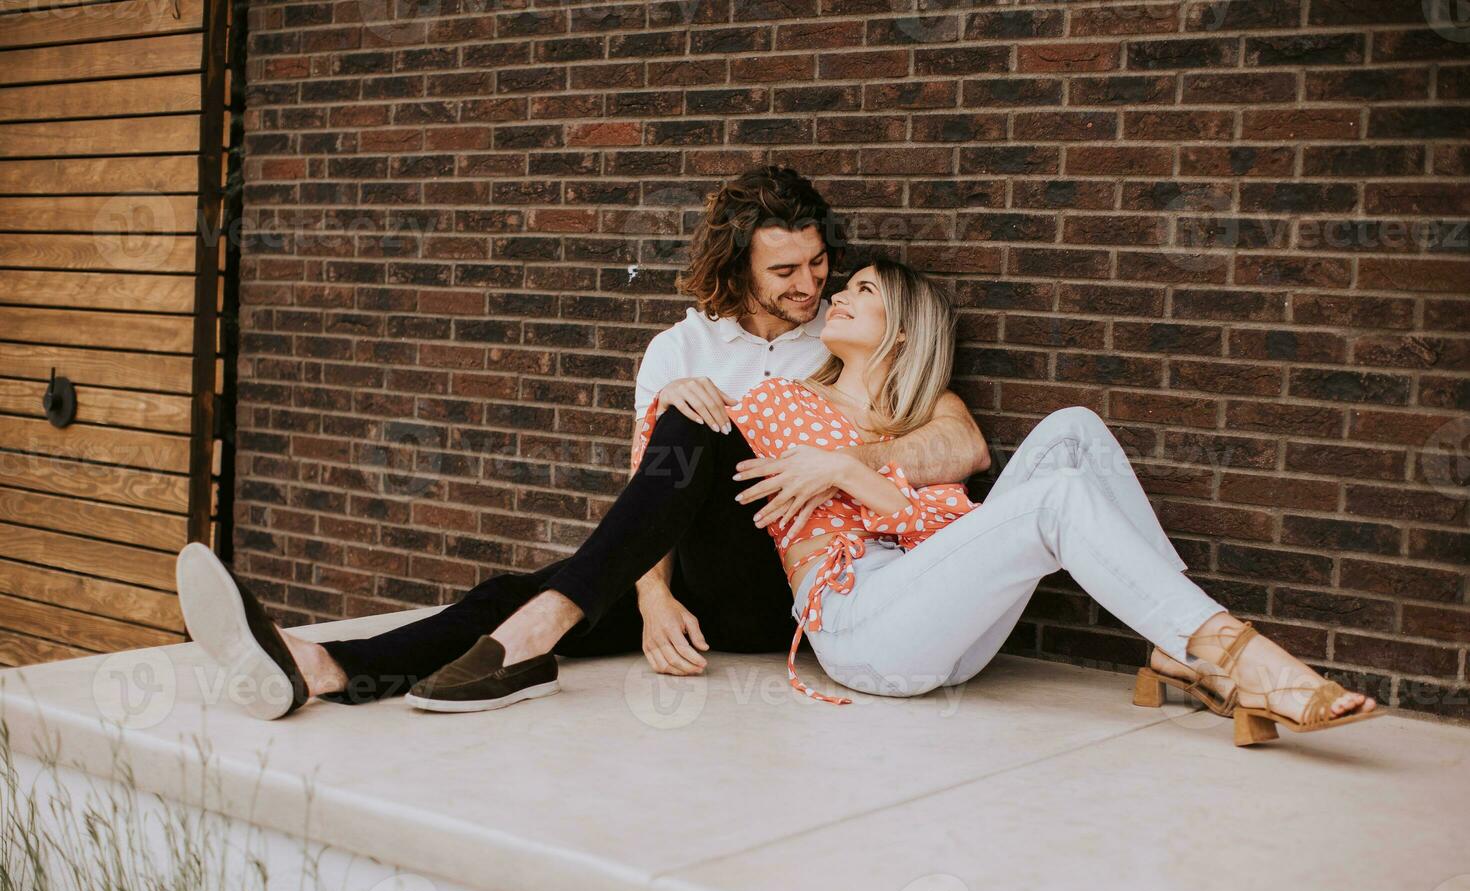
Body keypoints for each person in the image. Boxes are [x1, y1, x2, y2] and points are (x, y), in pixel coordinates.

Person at [407, 258, 1386, 748]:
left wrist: (853, 475)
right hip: (861, 623)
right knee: (1049, 496)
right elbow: (662, 480)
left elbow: (952, 527)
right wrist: (679, 408)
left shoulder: (930, 410)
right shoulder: (779, 400)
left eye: (862, 290)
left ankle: (1183, 644)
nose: (838, 294)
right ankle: (1223, 651)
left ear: (902, 324)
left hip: (940, 606)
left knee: (1077, 430)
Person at [173, 166, 988, 720]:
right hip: (704, 576)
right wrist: (651, 598)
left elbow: (960, 441)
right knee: (515, 590)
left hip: (796, 583)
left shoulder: (844, 340)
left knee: (691, 427)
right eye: (785, 272)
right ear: (737, 270)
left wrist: (851, 460)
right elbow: (653, 496)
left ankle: (535, 633)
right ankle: (324, 669)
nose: (811, 287)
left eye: (819, 265)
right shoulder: (680, 350)